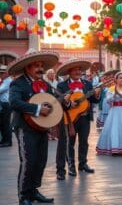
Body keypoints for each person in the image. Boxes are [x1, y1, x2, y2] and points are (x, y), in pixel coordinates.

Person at [8, 49, 59, 205]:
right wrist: (37, 109)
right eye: (36, 65)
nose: (40, 69)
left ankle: (34, 191)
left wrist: (64, 102)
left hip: (42, 128)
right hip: (24, 127)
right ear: (27, 68)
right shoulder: (18, 83)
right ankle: (23, 195)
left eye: (41, 65)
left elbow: (54, 100)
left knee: (40, 160)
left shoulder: (45, 84)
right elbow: (14, 103)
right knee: (29, 161)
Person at [55, 58, 101, 181]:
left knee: (84, 142)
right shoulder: (62, 85)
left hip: (84, 117)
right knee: (68, 143)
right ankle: (69, 166)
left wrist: (96, 94)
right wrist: (69, 103)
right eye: (74, 69)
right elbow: (58, 102)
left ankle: (82, 163)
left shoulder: (87, 84)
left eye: (79, 69)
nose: (77, 71)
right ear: (69, 72)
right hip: (69, 118)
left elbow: (94, 100)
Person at [44, 68, 59, 140]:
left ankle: (54, 135)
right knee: (48, 118)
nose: (52, 75)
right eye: (51, 73)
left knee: (54, 118)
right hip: (47, 101)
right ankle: (48, 134)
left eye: (53, 73)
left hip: (55, 101)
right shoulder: (45, 82)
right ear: (47, 75)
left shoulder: (56, 82)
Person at [0, 65, 13, 147]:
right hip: (3, 104)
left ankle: (8, 141)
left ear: (6, 73)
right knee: (2, 123)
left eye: (2, 73)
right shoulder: (5, 81)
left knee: (6, 124)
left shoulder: (8, 81)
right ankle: (4, 140)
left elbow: (0, 90)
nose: (0, 74)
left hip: (6, 104)